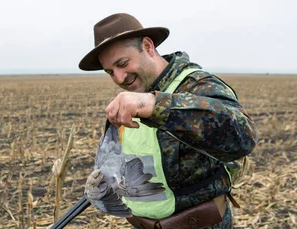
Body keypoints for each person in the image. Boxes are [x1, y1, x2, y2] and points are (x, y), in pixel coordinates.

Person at [79, 13, 258, 228]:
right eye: (110, 72)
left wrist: (155, 106)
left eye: (123, 63)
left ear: (147, 46)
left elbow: (243, 137)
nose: (119, 78)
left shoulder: (196, 86)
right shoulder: (129, 101)